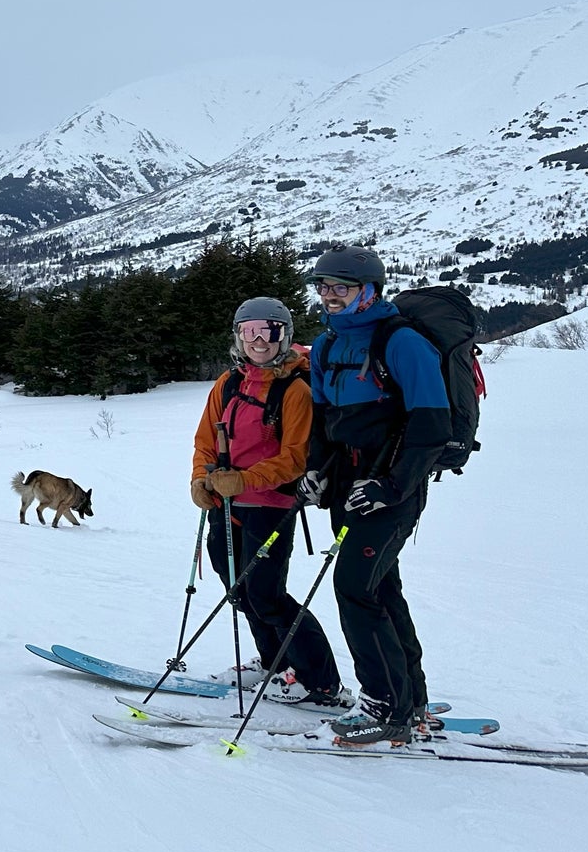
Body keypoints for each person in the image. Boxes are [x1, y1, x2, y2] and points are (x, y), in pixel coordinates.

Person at [300, 245, 452, 747]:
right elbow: (325, 424)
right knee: (381, 589)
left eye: (340, 287)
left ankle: (386, 707)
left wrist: (391, 485)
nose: (329, 296)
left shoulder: (401, 342)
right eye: (323, 287)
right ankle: (412, 701)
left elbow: (431, 425)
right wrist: (316, 472)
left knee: (355, 589)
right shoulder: (325, 347)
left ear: (369, 292)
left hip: (392, 490)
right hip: (348, 487)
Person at [190, 297, 347, 708]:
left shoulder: (294, 389)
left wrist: (242, 480)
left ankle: (322, 682)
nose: (259, 341)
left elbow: (295, 457)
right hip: (226, 506)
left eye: (269, 331)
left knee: (266, 595)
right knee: (238, 590)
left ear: (285, 336)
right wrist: (200, 479)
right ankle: (275, 665)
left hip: (270, 506)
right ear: (238, 337)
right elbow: (206, 438)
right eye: (249, 332)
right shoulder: (228, 383)